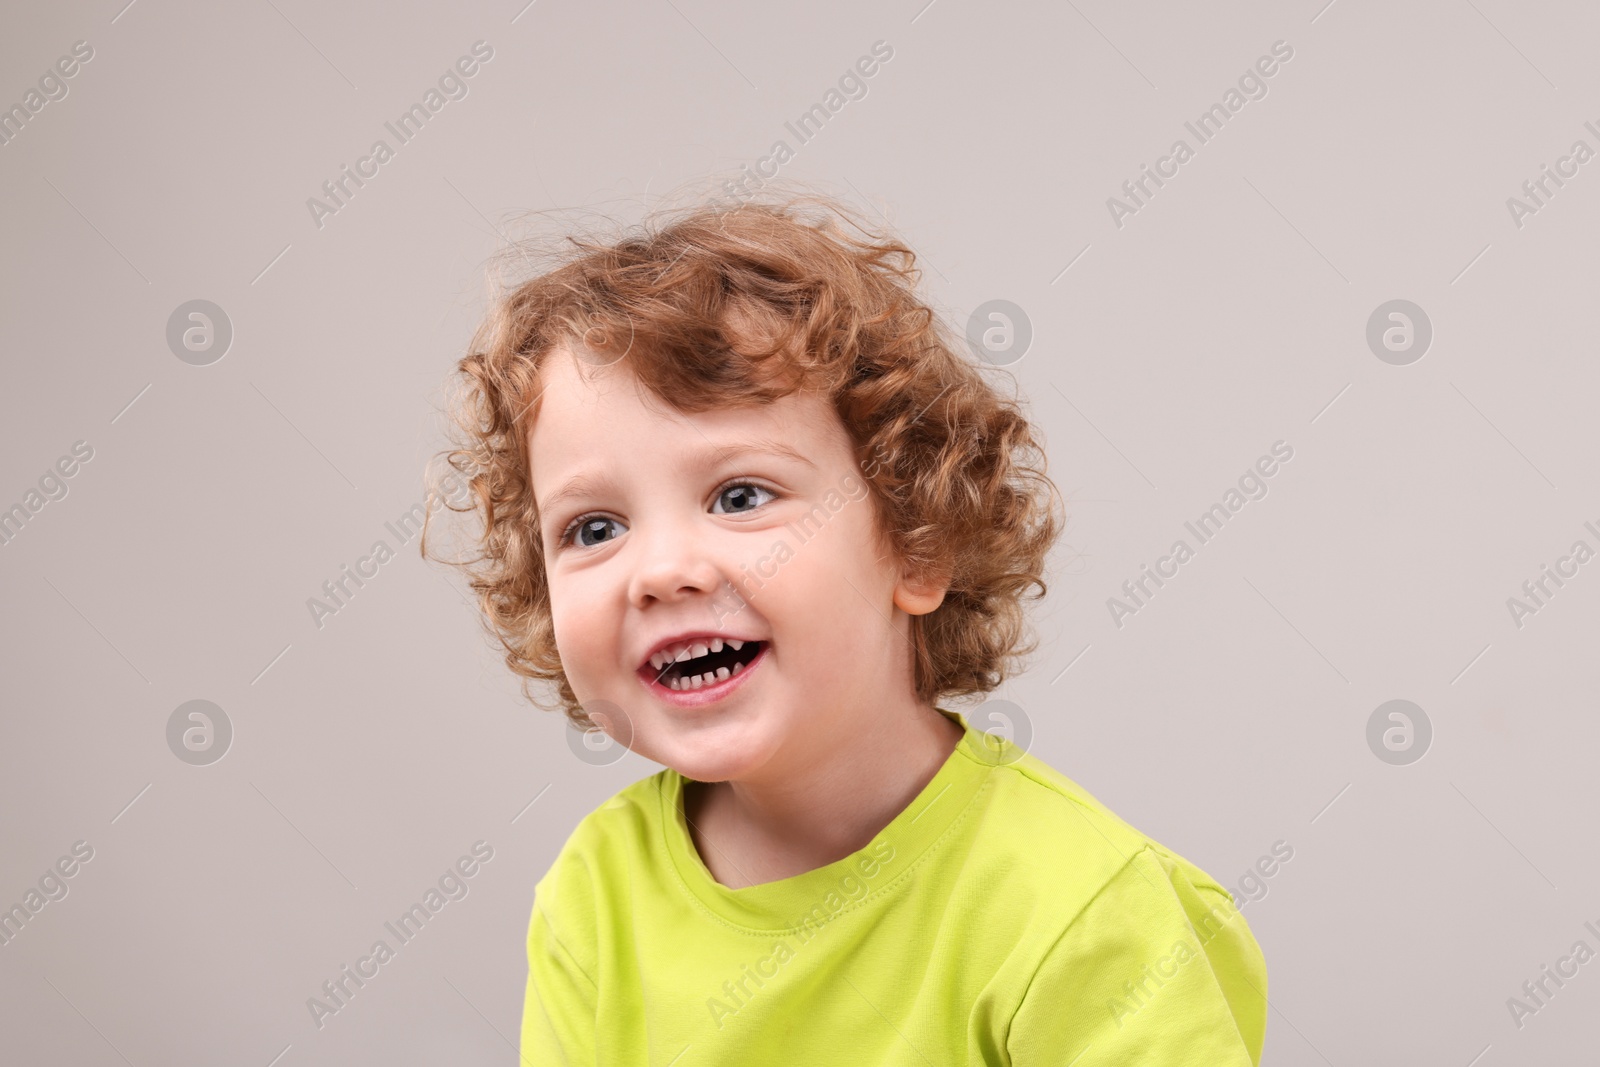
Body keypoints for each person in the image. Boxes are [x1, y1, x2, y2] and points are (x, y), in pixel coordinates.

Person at [426, 189, 1268, 1064]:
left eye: (741, 495)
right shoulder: (597, 893)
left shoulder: (1086, 913)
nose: (661, 569)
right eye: (594, 528)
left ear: (916, 542)